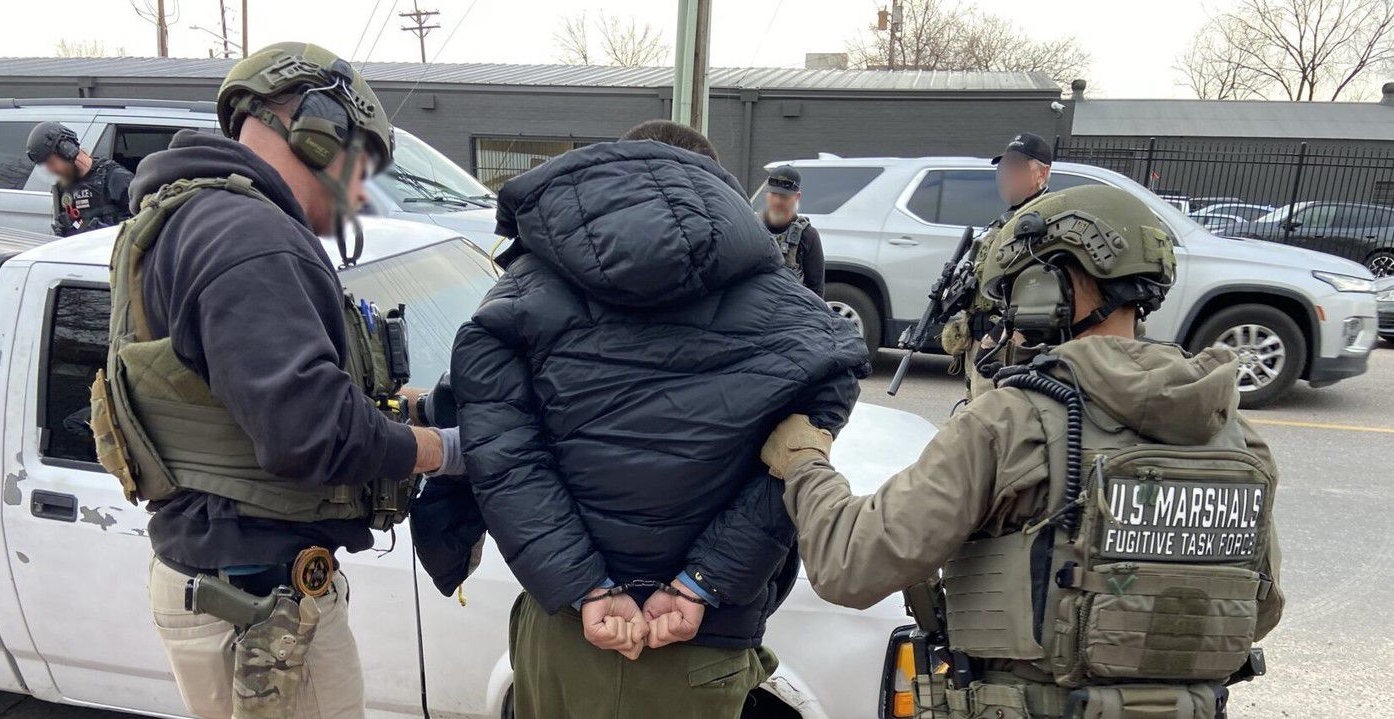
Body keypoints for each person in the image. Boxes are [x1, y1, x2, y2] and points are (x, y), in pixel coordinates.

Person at [762, 185, 1283, 719]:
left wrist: (804, 463)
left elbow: (849, 564)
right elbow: (1258, 610)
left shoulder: (1011, 421)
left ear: (1051, 282)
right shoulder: (1234, 434)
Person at [88, 42, 460, 718]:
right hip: (262, 605)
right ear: (318, 130)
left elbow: (243, 397)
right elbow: (308, 431)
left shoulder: (190, 217)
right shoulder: (246, 236)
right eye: (360, 166)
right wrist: (443, 449)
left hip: (227, 579)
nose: (359, 194)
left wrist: (396, 407)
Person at [451, 120, 870, 719]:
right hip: (701, 639)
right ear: (715, 186)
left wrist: (587, 586)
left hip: (568, 631)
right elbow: (792, 469)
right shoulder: (798, 315)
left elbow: (505, 459)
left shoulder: (518, 295)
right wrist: (700, 583)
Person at [942, 132, 1056, 397]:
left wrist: (996, 335)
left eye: (1015, 168)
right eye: (1004, 169)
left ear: (1042, 173)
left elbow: (1036, 289)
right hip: (981, 341)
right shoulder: (1008, 218)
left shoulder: (1044, 220)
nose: (1006, 176)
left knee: (988, 423)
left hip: (1004, 344)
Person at [26, 120, 134, 236]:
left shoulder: (116, 178)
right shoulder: (63, 188)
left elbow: (143, 225)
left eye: (52, 163)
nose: (51, 170)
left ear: (67, 149)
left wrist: (105, 231)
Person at [760, 165, 825, 298]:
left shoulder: (808, 235)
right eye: (773, 194)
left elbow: (816, 290)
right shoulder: (752, 227)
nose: (777, 201)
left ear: (797, 197)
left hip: (790, 311)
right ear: (766, 195)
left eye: (784, 196)